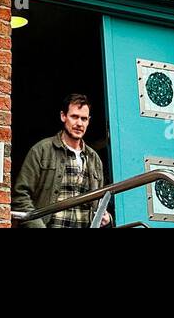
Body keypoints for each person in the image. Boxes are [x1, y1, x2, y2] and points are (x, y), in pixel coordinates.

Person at [13, 93, 111, 228]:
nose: (79, 123)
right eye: (74, 117)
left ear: (88, 121)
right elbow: (20, 196)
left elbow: (101, 202)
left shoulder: (94, 159)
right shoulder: (42, 150)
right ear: (63, 116)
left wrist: (107, 217)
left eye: (83, 119)